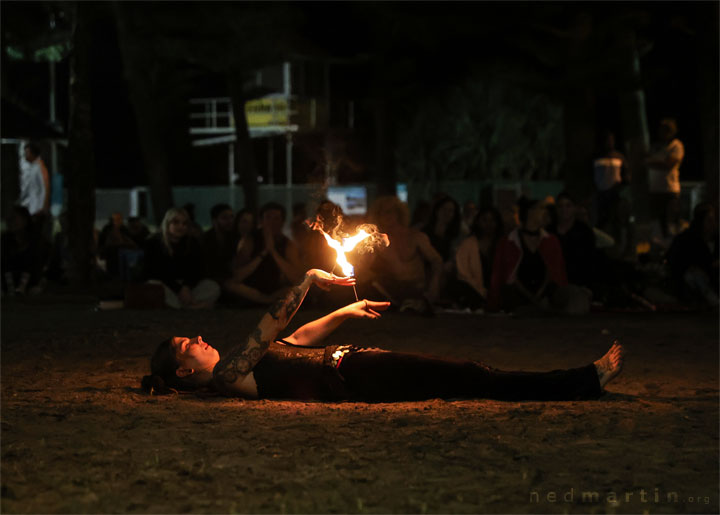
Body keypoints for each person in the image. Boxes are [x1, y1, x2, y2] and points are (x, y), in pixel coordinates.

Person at [141, 268, 625, 402]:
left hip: (357, 365)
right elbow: (272, 324)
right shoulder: (228, 376)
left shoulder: (250, 364)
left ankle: (581, 382)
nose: (199, 337)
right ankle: (584, 382)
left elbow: (299, 335)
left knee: (468, 378)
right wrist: (307, 281)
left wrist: (348, 309)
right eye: (188, 345)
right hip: (355, 376)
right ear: (185, 372)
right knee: (472, 375)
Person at [488, 197, 590, 314]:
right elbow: (506, 275)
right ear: (529, 212)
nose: (545, 212)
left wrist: (541, 293)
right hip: (517, 294)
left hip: (545, 292)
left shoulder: (550, 240)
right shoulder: (509, 241)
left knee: (573, 295)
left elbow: (555, 273)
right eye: (541, 209)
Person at [367, 195, 443, 314]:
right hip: (393, 291)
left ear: (398, 214)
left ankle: (416, 304)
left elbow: (436, 261)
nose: (386, 216)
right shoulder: (378, 242)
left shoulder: (416, 236)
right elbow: (365, 268)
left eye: (390, 212)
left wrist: (434, 285)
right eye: (382, 213)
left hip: (419, 288)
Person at [143, 207, 221, 309]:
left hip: (187, 286)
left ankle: (181, 306)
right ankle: (192, 306)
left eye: (184, 223)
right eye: (176, 222)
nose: (181, 226)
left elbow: (197, 269)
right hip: (167, 285)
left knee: (212, 286)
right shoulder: (154, 243)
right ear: (167, 223)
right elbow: (154, 271)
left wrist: (186, 287)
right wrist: (178, 289)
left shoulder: (192, 242)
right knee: (153, 286)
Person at [228, 202, 303, 305]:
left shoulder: (287, 244)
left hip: (278, 290)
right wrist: (264, 252)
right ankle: (267, 301)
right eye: (268, 218)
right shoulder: (250, 240)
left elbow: (296, 278)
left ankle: (267, 300)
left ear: (282, 222)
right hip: (252, 289)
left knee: (297, 290)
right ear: (261, 221)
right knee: (230, 285)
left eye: (276, 218)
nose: (272, 222)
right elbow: (238, 276)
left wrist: (273, 252)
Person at [450, 206, 504, 310]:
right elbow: (464, 274)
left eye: (492, 220)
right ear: (478, 222)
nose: (488, 224)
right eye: (484, 220)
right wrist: (483, 292)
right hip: (474, 290)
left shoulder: (502, 244)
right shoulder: (468, 244)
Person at [666, 202, 718, 306]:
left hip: (713, 279)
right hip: (692, 283)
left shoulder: (716, 239)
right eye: (709, 220)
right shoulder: (687, 240)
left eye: (714, 220)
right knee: (694, 275)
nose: (713, 224)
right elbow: (678, 263)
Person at [549, 192, 597, 289]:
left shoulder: (584, 232)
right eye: (560, 206)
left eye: (568, 206)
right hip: (553, 284)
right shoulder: (549, 231)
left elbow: (590, 261)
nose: (564, 210)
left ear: (575, 208)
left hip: (578, 283)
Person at [1, 205, 48, 296]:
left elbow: (37, 265)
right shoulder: (5, 241)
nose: (10, 221)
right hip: (8, 283)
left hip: (30, 284)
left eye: (14, 218)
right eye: (9, 218)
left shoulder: (35, 241)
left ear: (25, 220)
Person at [646, 119, 684, 222]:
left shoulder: (676, 145)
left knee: (671, 221)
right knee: (656, 222)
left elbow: (668, 165)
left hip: (669, 190)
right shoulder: (656, 146)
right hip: (655, 190)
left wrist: (647, 163)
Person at [593, 132, 629, 230]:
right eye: (607, 140)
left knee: (616, 219)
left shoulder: (619, 157)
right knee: (602, 219)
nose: (609, 143)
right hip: (601, 194)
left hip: (616, 194)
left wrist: (621, 186)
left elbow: (626, 174)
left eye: (611, 140)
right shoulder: (596, 156)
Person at [202, 203, 235, 289]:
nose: (230, 220)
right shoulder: (205, 239)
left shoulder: (234, 237)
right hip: (211, 280)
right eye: (225, 218)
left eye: (231, 217)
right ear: (214, 220)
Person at [18, 142, 49, 219]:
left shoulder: (39, 167)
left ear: (33, 154)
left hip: (35, 208)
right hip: (28, 205)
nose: (25, 155)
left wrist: (41, 208)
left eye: (27, 153)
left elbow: (43, 189)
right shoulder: (31, 166)